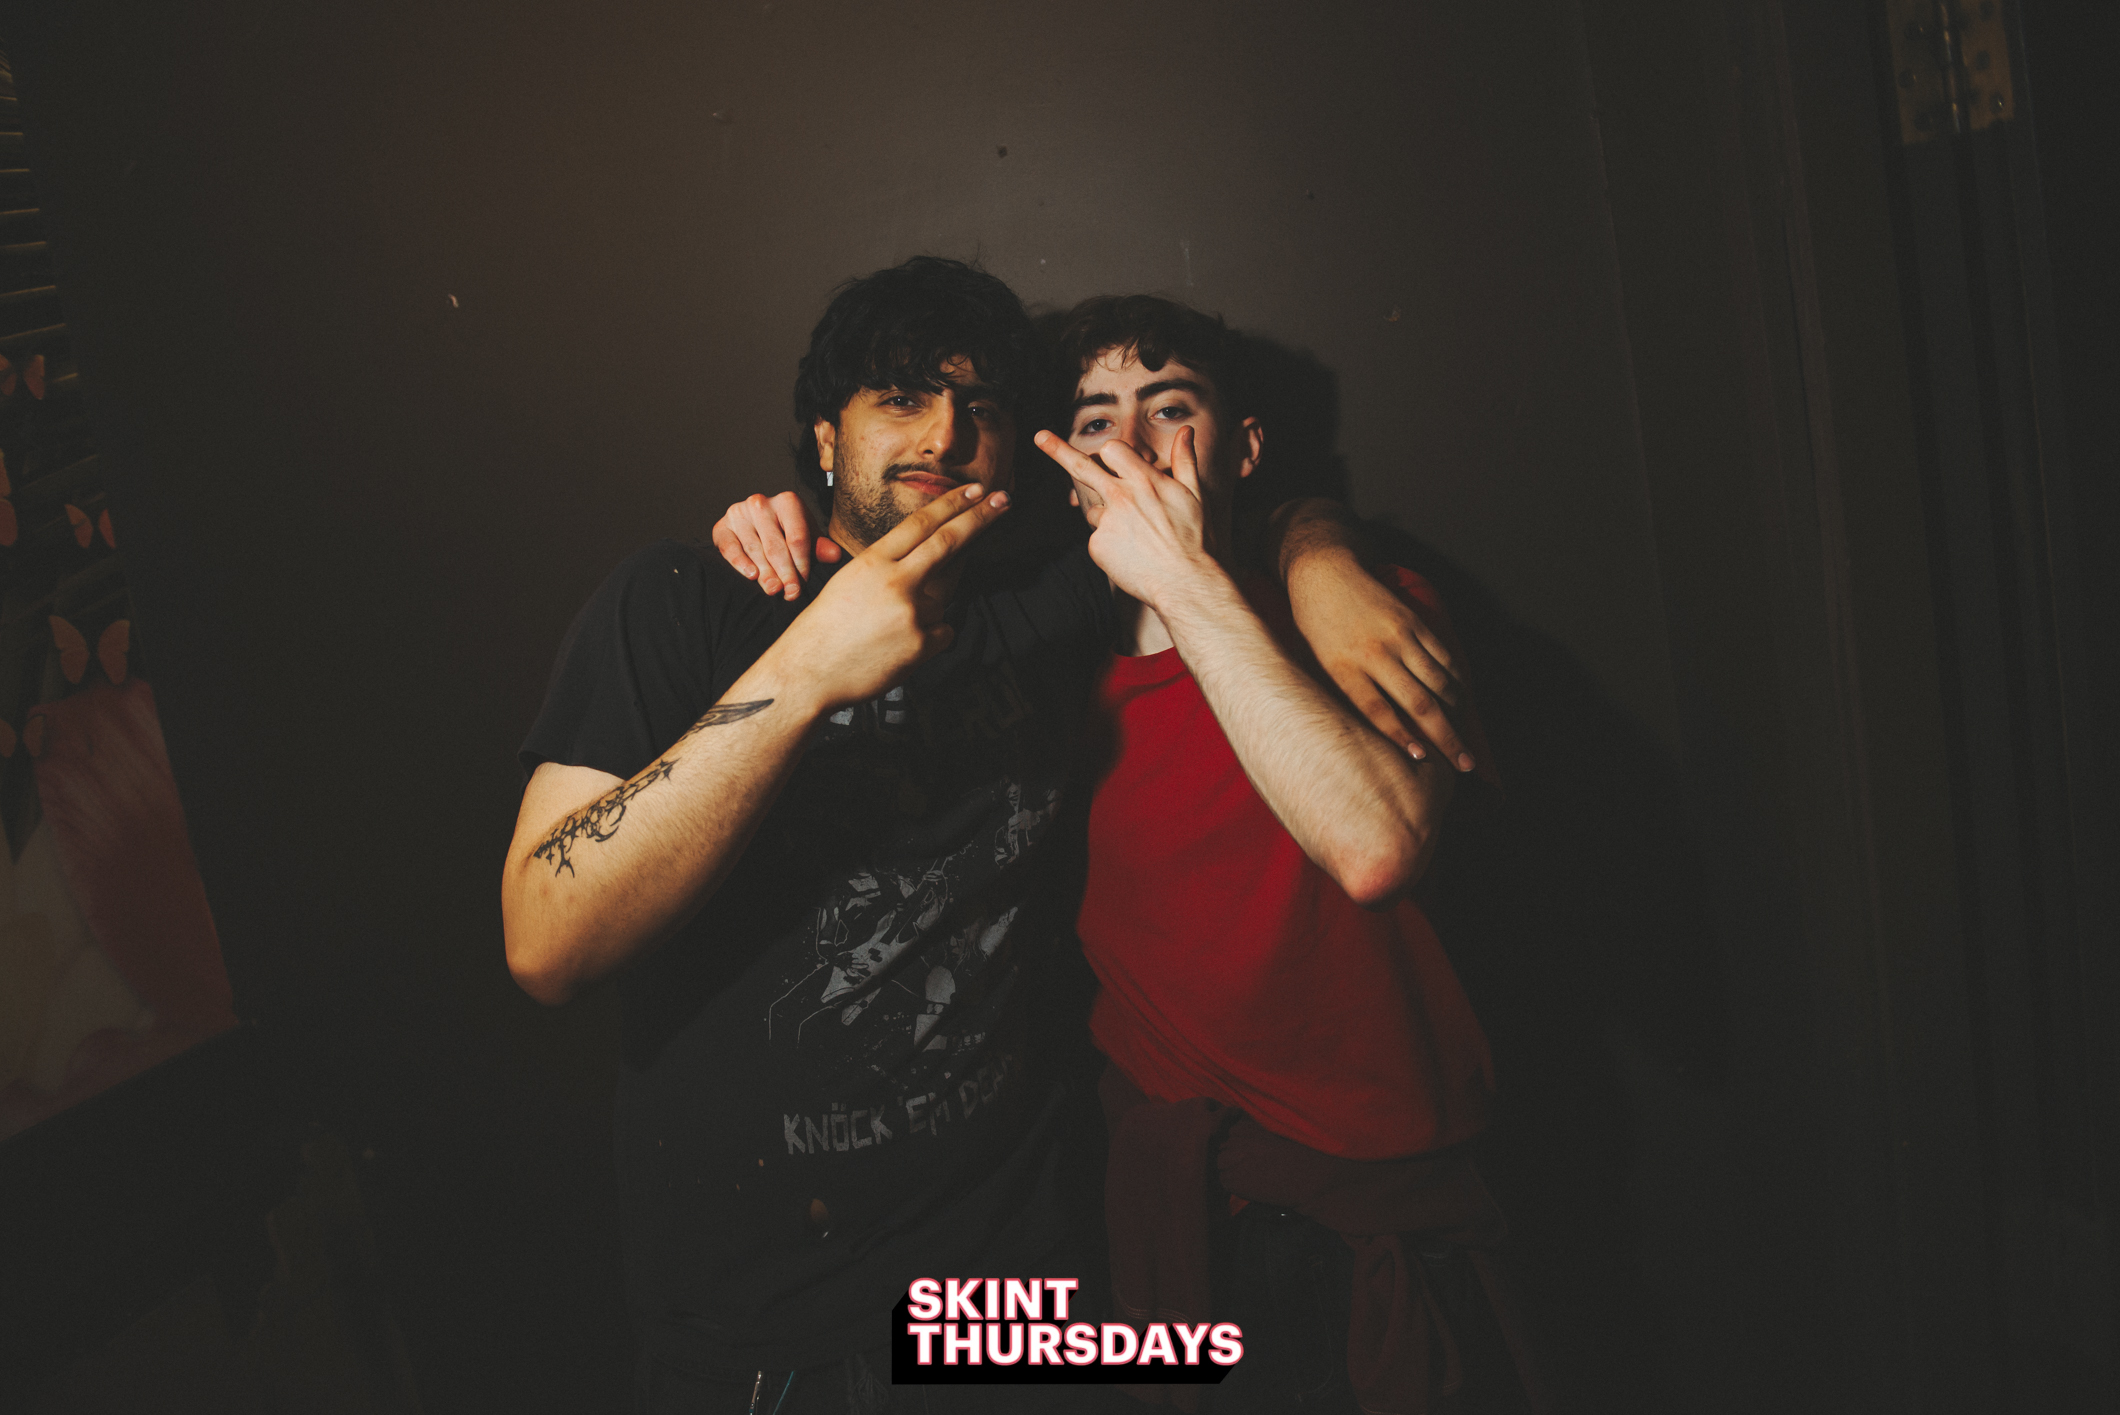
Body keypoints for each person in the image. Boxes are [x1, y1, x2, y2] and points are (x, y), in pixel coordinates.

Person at [505, 259, 1442, 1415]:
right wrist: (803, 669)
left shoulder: (1053, 604)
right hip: (756, 1328)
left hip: (1008, 1289)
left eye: (981, 406)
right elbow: (545, 944)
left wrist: (1322, 554)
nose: (945, 432)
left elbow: (1227, 509)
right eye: (901, 395)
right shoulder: (681, 601)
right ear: (824, 435)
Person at [720, 295, 1543, 1414]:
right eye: (1097, 421)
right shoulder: (1043, 662)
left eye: (1172, 408)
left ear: (1243, 446)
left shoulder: (1368, 615)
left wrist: (1290, 552)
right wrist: (772, 529)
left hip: (1377, 1217)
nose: (1137, 446)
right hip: (1143, 1213)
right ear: (1064, 472)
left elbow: (1376, 844)